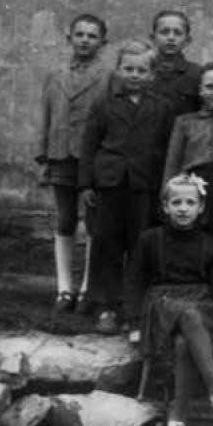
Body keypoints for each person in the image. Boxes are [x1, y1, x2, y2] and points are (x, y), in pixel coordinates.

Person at [125, 174, 213, 426]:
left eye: (190, 202)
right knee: (187, 314)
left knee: (183, 342)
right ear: (165, 206)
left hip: (202, 305)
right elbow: (134, 281)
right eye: (176, 202)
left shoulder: (211, 244)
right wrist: (133, 323)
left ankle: (177, 421)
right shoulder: (150, 239)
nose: (183, 208)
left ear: (200, 208)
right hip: (162, 304)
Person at [79, 39, 174, 334]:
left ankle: (134, 309)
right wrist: (86, 184)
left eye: (141, 70)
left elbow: (166, 148)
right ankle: (105, 306)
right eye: (128, 69)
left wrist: (164, 187)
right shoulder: (104, 104)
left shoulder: (162, 107)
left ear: (152, 74)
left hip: (144, 185)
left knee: (140, 245)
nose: (134, 75)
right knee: (106, 244)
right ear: (118, 70)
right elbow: (89, 144)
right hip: (109, 184)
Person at [36, 13, 112, 314]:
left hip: (93, 157)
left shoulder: (109, 76)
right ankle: (64, 288)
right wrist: (43, 156)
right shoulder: (55, 73)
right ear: (69, 38)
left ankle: (87, 289)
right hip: (61, 154)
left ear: (103, 42)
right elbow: (46, 115)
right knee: (65, 219)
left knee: (94, 222)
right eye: (79, 34)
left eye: (92, 36)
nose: (85, 40)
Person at [163, 62, 213, 236]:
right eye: (210, 87)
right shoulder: (185, 122)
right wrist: (167, 194)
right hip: (192, 188)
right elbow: (173, 161)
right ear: (200, 90)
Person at [149, 9, 202, 116]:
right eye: (164, 32)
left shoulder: (197, 74)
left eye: (177, 33)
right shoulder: (142, 71)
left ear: (187, 40)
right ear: (153, 38)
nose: (171, 38)